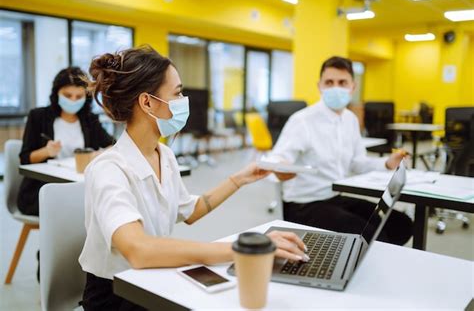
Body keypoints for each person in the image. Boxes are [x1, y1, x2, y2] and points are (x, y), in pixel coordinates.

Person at [78, 46, 307, 311]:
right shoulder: (109, 169)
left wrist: (239, 179)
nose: (183, 100)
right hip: (117, 294)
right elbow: (137, 250)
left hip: (151, 278)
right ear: (147, 102)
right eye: (177, 93)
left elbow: (191, 211)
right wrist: (240, 250)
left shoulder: (163, 154)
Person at [269, 56, 413, 246]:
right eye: (329, 82)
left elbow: (357, 162)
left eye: (342, 82)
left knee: (401, 225)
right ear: (319, 86)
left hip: (335, 197)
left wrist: (387, 163)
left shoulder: (350, 120)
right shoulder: (302, 120)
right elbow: (278, 158)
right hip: (304, 204)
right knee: (372, 237)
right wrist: (280, 166)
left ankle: (358, 263)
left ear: (352, 87)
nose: (335, 88)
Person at [18, 66, 115, 216]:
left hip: (81, 187)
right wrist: (46, 151)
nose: (73, 100)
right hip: (43, 190)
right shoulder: (38, 117)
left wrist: (100, 154)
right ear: (57, 93)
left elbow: (113, 145)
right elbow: (24, 159)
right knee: (88, 213)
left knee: (106, 206)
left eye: (79, 96)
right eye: (68, 95)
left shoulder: (90, 120)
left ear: (86, 96)